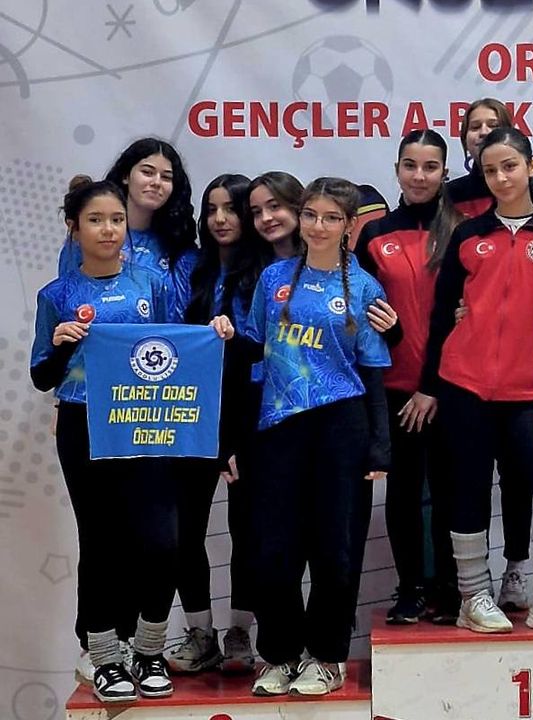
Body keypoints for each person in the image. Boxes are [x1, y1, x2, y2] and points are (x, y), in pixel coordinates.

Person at [33, 180, 233, 702]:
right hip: (85, 424)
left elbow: (176, 347)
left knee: (163, 542)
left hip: (145, 419)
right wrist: (61, 345)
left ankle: (148, 650)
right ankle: (105, 658)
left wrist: (214, 332)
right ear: (74, 228)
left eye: (117, 220)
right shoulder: (57, 295)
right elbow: (41, 375)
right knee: (101, 543)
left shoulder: (152, 283)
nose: (108, 230)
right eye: (96, 220)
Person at [422, 128, 533, 635]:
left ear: (532, 167)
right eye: (490, 170)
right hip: (464, 386)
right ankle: (473, 598)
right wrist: (429, 384)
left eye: (509, 166)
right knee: (467, 491)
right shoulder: (469, 235)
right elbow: (442, 314)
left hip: (530, 394)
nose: (500, 177)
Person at [244, 177, 392, 697]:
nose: (319, 226)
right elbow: (254, 357)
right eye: (311, 215)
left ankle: (326, 656)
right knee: (275, 549)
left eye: (332, 218)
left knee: (336, 547)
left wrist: (380, 445)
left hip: (341, 426)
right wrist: (238, 435)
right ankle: (280, 654)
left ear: (349, 226)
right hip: (278, 427)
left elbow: (373, 371)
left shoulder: (365, 287)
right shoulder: (273, 278)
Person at [355, 129, 464, 626]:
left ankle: (450, 587)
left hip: (451, 388)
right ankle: (411, 588)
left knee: (450, 492)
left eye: (430, 167)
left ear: (445, 172)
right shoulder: (375, 235)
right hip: (395, 388)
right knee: (401, 494)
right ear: (397, 169)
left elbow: (472, 313)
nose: (419, 176)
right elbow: (363, 314)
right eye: (410, 165)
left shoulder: (464, 231)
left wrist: (433, 386)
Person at [167, 174, 271, 676]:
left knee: (246, 529)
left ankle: (239, 632)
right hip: (191, 414)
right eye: (212, 210)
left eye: (231, 209)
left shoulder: (268, 270)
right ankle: (200, 631)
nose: (221, 219)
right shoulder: (192, 267)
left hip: (247, 416)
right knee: (184, 529)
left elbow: (267, 350)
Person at [60, 138, 199, 320]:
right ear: (126, 175)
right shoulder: (91, 240)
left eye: (166, 177)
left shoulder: (180, 248)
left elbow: (186, 321)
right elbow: (66, 302)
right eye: (147, 172)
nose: (156, 182)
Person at [447, 97, 513, 219]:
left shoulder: (528, 189)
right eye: (475, 127)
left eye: (493, 125)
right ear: (465, 140)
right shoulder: (450, 195)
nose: (484, 132)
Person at [247, 172, 304, 260]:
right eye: (257, 212)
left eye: (274, 206)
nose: (265, 218)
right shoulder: (248, 264)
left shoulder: (321, 261)